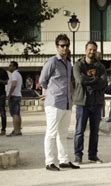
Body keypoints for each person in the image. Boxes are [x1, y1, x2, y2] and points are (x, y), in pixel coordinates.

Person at [39, 33, 80, 171]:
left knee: (63, 133)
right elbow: (42, 81)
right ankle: (49, 162)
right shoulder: (52, 62)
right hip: (54, 102)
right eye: (62, 45)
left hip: (67, 103)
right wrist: (51, 93)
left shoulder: (69, 64)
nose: (65, 48)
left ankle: (63, 160)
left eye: (67, 45)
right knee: (51, 133)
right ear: (57, 47)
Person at [73, 41, 107, 164]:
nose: (92, 52)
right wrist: (95, 79)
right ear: (85, 50)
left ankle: (93, 155)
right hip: (82, 102)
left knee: (95, 132)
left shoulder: (100, 66)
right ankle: (78, 155)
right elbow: (80, 80)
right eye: (90, 49)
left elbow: (104, 83)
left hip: (96, 102)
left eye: (94, 50)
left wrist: (90, 80)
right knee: (79, 131)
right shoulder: (78, 65)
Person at [6, 61, 23, 136]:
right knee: (17, 113)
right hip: (18, 95)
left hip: (14, 96)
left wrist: (9, 94)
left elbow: (14, 84)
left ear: (15, 67)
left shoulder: (14, 74)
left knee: (14, 114)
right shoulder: (18, 74)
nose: (9, 67)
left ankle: (16, 131)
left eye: (11, 66)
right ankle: (18, 129)